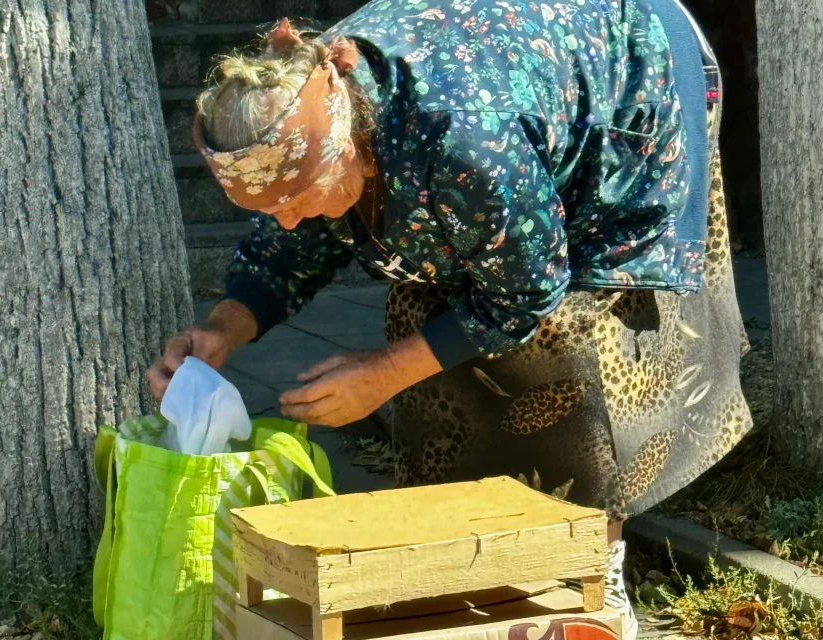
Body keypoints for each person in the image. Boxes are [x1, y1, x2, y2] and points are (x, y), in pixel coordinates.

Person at [149, 1, 751, 635]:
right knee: (426, 316)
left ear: (352, 141)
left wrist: (382, 374)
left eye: (301, 198)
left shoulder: (464, 138)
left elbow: (530, 288)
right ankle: (470, 559)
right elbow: (288, 240)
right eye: (274, 206)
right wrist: (224, 327)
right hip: (496, 117)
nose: (293, 217)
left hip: (625, 70)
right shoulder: (301, 105)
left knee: (569, 335)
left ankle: (592, 575)